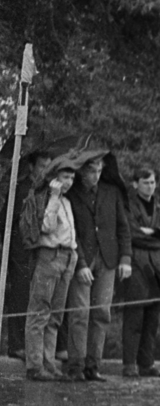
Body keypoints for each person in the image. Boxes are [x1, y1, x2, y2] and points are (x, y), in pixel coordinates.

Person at [63, 153, 131, 382]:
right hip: (82, 258)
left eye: (100, 171)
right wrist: (81, 264)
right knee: (79, 313)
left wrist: (126, 259)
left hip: (109, 258)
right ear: (82, 171)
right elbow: (72, 233)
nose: (96, 176)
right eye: (92, 171)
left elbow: (123, 228)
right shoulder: (72, 194)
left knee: (102, 312)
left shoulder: (111, 193)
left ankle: (93, 365)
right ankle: (76, 365)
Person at [122, 165, 160, 378]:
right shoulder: (129, 206)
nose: (150, 186)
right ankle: (129, 364)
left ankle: (147, 364)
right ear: (135, 184)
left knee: (153, 318)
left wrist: (157, 231)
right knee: (135, 316)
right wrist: (159, 239)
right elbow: (132, 234)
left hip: (159, 267)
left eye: (153, 182)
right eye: (146, 182)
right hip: (138, 264)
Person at [21, 162, 78, 381]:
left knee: (55, 314)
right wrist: (53, 196)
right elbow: (47, 227)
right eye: (65, 177)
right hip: (49, 256)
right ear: (54, 178)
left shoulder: (66, 202)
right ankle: (35, 364)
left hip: (66, 256)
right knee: (40, 311)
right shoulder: (45, 199)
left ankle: (48, 361)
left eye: (72, 178)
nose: (69, 182)